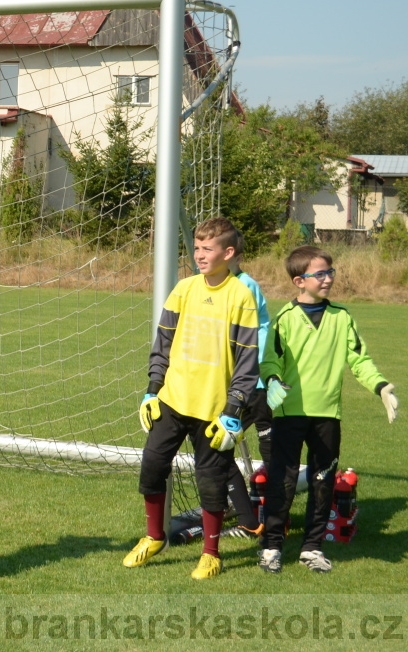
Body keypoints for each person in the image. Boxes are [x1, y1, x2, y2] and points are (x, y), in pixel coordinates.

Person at [124, 217, 260, 579]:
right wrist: (152, 389)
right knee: (152, 466)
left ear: (228, 253)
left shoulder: (241, 296)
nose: (199, 254)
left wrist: (234, 409)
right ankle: (154, 537)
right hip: (173, 400)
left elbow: (248, 359)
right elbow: (163, 343)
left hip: (215, 410)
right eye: (196, 247)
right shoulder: (183, 289)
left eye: (207, 248)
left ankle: (211, 554)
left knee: (211, 482)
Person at [257, 245, 398, 574]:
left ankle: (312, 547)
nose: (328, 278)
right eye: (320, 273)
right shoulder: (285, 320)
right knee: (283, 481)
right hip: (290, 414)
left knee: (323, 481)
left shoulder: (342, 317)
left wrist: (380, 386)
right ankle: (272, 546)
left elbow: (359, 359)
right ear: (299, 281)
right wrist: (274, 379)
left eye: (330, 271)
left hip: (327, 416)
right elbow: (269, 361)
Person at [221, 235, 275, 540]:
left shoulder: (243, 285)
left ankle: (252, 519)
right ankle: (258, 516)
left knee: (218, 446)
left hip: (251, 382)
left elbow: (242, 334)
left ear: (230, 254)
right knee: (223, 445)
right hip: (250, 380)